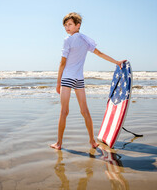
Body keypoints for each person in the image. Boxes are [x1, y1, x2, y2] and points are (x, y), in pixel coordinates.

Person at [50, 12, 126, 150]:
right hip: (79, 79)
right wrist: (117, 62)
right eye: (65, 25)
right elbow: (99, 54)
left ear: (77, 25)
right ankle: (92, 141)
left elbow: (62, 63)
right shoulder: (86, 40)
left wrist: (58, 82)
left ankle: (59, 143)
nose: (67, 27)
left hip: (67, 78)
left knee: (64, 112)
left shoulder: (67, 40)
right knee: (84, 111)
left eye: (70, 24)